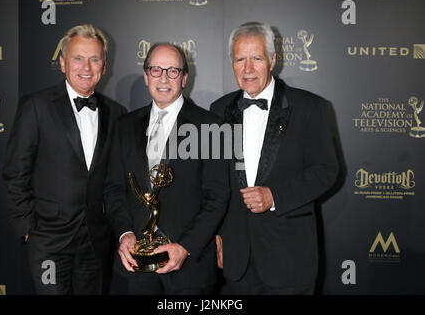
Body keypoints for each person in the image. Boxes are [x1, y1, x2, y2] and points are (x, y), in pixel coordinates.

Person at [210, 22, 339, 294]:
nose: (247, 69)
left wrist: (274, 196)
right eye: (240, 59)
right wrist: (218, 234)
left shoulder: (309, 107)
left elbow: (325, 171)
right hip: (236, 261)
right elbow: (215, 181)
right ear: (231, 63)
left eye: (256, 58)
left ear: (273, 60)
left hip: (289, 260)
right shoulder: (219, 109)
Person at [2, 24, 127, 294]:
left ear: (104, 66)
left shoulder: (116, 113)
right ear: (62, 63)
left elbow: (113, 181)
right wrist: (28, 228)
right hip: (49, 242)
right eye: (77, 58)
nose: (86, 67)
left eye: (94, 59)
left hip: (95, 243)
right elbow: (16, 171)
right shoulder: (36, 106)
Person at [104, 43, 229, 294]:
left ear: (184, 78)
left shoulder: (210, 126)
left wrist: (185, 246)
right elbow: (113, 189)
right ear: (146, 76)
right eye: (156, 70)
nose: (163, 78)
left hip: (191, 269)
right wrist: (125, 233)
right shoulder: (124, 126)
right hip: (136, 269)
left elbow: (218, 196)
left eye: (173, 71)